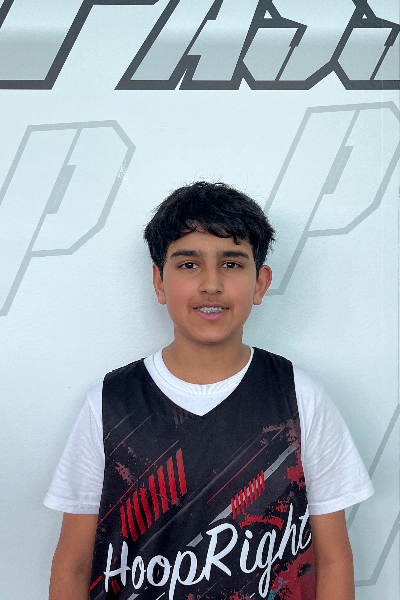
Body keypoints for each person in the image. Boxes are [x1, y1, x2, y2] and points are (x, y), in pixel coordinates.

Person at [45, 181, 374, 600]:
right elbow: (73, 566)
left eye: (231, 263)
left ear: (260, 283)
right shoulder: (110, 403)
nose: (211, 284)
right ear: (159, 283)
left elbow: (333, 560)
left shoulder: (300, 397)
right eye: (189, 264)